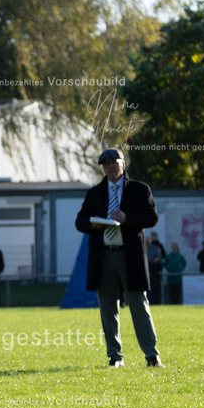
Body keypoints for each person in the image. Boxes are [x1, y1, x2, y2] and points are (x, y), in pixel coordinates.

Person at [75, 148, 162, 368]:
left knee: (139, 305)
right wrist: (92, 223)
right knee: (107, 308)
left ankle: (152, 355)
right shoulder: (95, 193)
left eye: (114, 163)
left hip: (130, 256)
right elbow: (80, 221)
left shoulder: (139, 189)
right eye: (106, 165)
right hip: (103, 257)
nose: (111, 168)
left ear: (123, 164)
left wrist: (127, 218)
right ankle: (115, 356)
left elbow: (151, 217)